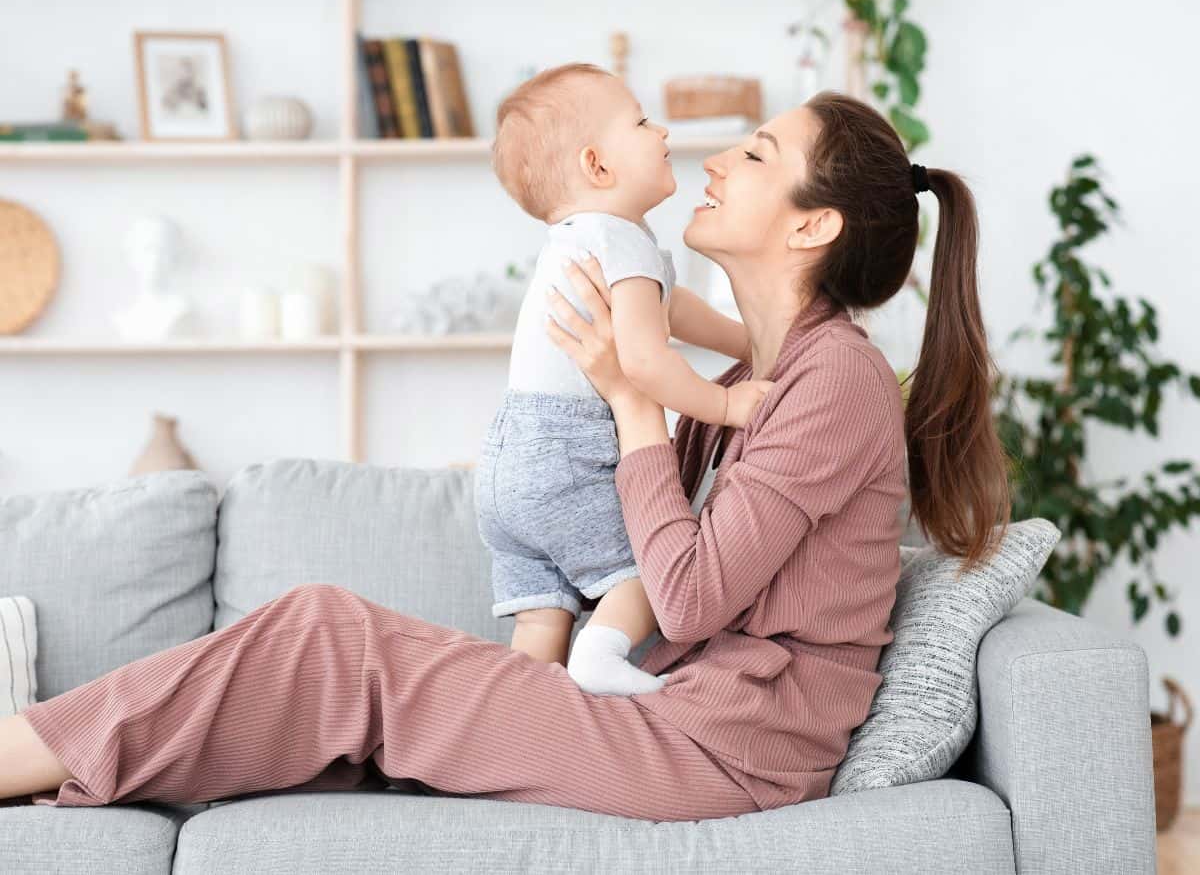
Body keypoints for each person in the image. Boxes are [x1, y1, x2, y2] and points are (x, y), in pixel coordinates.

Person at [0, 91, 1009, 822]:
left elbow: (693, 598)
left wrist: (630, 404)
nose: (712, 163)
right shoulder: (763, 366)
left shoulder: (834, 381)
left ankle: (28, 753)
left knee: (327, 636)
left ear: (813, 225)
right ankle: (70, 761)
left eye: (752, 155)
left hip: (720, 751)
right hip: (680, 716)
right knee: (326, 647)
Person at [479, 63, 772, 697]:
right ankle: (601, 657)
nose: (661, 129)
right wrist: (724, 403)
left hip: (506, 465)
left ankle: (523, 717)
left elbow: (673, 308)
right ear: (598, 166)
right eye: (641, 121)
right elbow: (642, 360)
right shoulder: (621, 240)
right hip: (565, 457)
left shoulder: (582, 239)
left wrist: (747, 341)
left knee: (540, 611)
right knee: (645, 571)